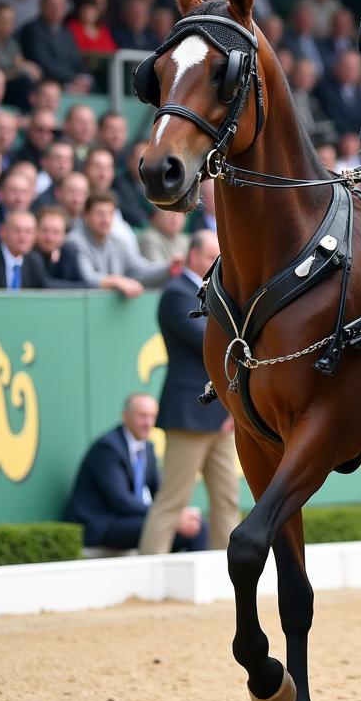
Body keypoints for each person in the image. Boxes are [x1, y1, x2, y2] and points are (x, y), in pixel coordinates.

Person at [139, 231, 241, 555]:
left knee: (227, 498)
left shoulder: (213, 292)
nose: (216, 264)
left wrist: (232, 410)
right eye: (211, 257)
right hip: (189, 412)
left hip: (220, 414)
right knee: (173, 499)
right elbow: (208, 343)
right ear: (193, 256)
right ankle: (149, 569)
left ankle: (231, 574)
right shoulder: (177, 293)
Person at [64, 393, 208, 552]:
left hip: (127, 520)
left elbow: (160, 492)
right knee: (172, 527)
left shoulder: (147, 448)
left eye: (153, 417)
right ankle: (159, 576)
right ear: (125, 417)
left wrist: (177, 512)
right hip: (101, 525)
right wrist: (170, 517)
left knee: (197, 526)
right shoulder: (107, 448)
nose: (149, 423)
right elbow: (121, 502)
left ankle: (182, 576)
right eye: (142, 416)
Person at [66, 190, 173, 293]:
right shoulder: (74, 242)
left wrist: (169, 267)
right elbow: (87, 278)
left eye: (110, 214)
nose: (106, 219)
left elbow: (139, 270)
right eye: (100, 214)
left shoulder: (119, 241)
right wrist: (117, 281)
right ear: (86, 216)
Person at [0, 208, 48, 288]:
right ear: (2, 232)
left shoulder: (34, 261)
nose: (23, 237)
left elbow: (43, 288)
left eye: (28, 231)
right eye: (17, 230)